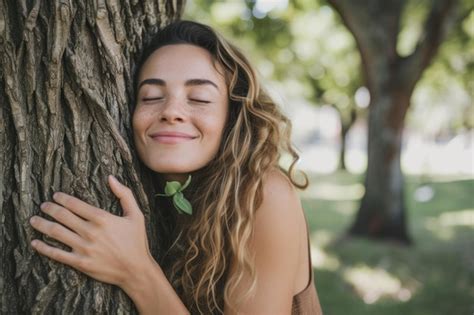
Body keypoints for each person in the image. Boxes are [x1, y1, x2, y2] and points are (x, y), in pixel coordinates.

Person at [29, 20, 323, 314]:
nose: (170, 112)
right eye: (151, 98)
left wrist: (136, 272)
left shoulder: (263, 195)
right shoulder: (162, 199)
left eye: (199, 98)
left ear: (231, 118)